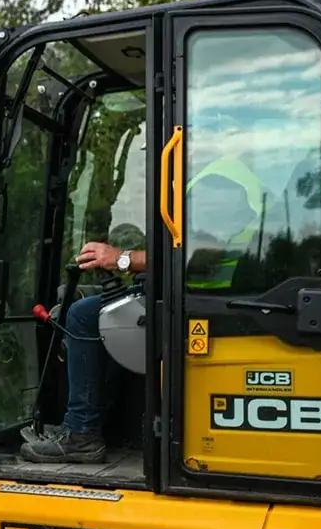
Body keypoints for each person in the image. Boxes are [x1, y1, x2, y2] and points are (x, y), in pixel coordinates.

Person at [19, 155, 270, 464]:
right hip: (197, 291)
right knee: (92, 306)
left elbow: (199, 254)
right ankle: (101, 425)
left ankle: (82, 432)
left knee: (83, 315)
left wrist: (123, 259)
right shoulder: (235, 180)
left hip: (199, 301)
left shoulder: (220, 181)